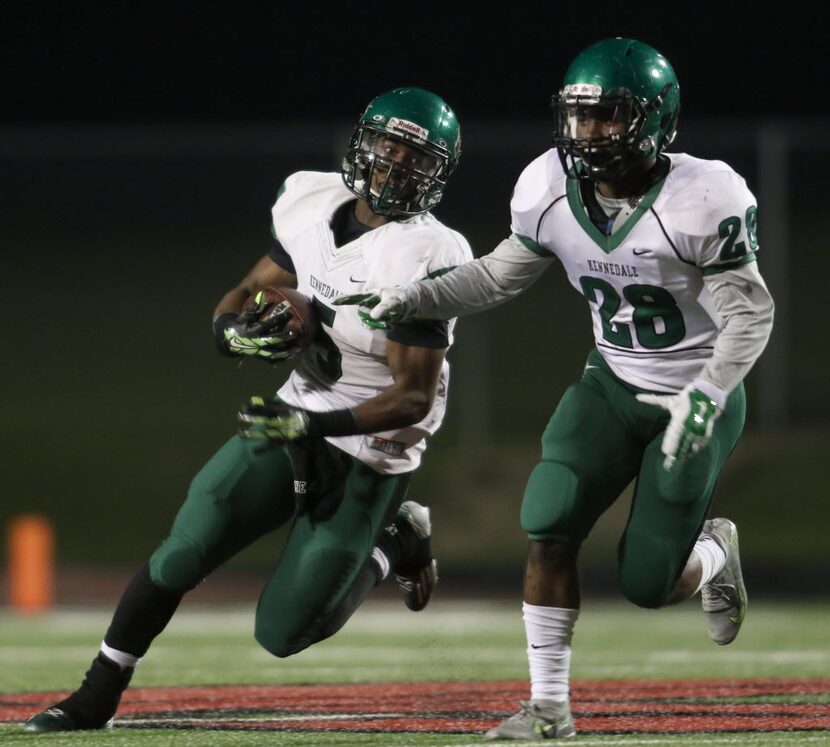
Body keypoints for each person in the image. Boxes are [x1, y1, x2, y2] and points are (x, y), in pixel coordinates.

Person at [336, 39, 775, 740]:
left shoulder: (702, 195)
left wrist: (711, 390)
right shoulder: (548, 188)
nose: (589, 133)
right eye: (580, 116)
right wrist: (415, 296)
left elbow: (751, 311)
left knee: (649, 583)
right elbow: (495, 275)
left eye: (608, 117)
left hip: (695, 396)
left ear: (656, 122)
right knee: (547, 517)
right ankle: (549, 708)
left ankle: (714, 550)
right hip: (611, 380)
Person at [24, 86, 472, 733]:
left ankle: (396, 541)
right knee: (184, 548)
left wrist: (314, 425)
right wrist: (230, 329)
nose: (395, 166)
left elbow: (413, 396)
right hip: (297, 410)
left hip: (373, 448)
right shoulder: (311, 200)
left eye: (416, 159)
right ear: (362, 142)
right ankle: (96, 693)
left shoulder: (429, 255)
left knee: (282, 632)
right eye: (388, 147)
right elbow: (249, 287)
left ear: (438, 176)